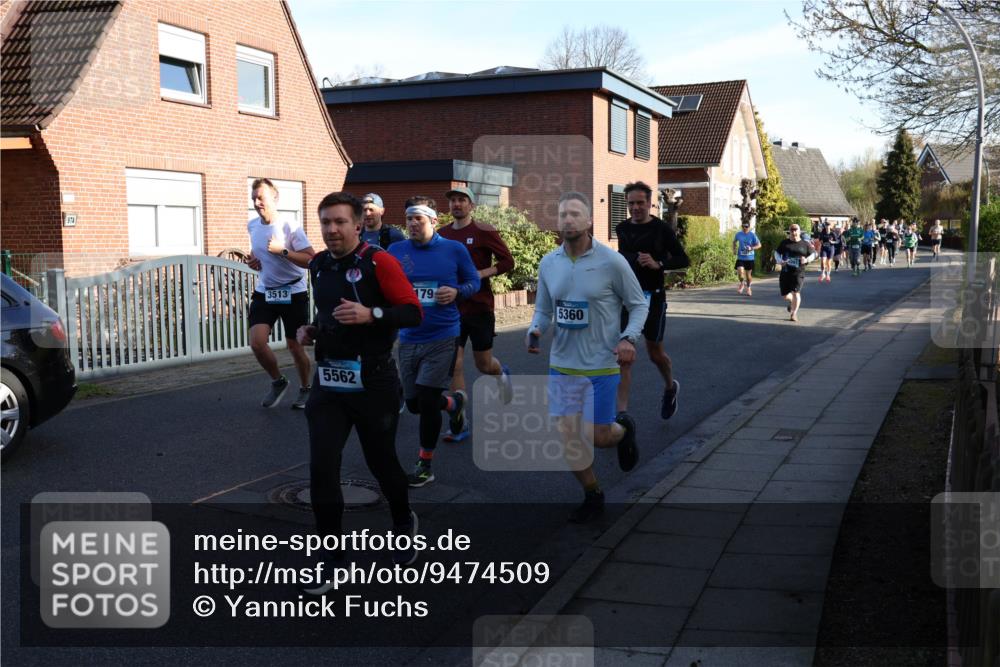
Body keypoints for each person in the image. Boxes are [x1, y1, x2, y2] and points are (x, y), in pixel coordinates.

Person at [296, 192, 423, 590]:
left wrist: (373, 314)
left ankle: (403, 522)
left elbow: (413, 311)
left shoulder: (377, 262)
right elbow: (328, 311)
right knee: (322, 466)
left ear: (357, 224)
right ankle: (333, 559)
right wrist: (314, 330)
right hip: (330, 380)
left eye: (339, 222)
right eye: (325, 223)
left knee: (381, 463)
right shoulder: (318, 264)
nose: (331, 230)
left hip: (374, 381)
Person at [527, 191, 648, 523]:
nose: (568, 219)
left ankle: (624, 429)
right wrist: (536, 329)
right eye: (563, 214)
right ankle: (593, 494)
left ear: (589, 220)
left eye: (575, 214)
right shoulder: (549, 262)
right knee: (567, 434)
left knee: (599, 436)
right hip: (562, 364)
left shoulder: (611, 261)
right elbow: (544, 308)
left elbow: (638, 304)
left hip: (602, 363)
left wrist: (628, 338)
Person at [387, 196, 480, 487]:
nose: (413, 224)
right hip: (409, 337)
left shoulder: (454, 250)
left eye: (419, 219)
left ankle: (425, 464)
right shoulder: (395, 250)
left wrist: (456, 292)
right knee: (413, 404)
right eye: (409, 219)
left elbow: (473, 281)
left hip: (443, 335)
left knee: (426, 402)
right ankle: (453, 404)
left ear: (433, 221)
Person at [437, 186, 516, 441]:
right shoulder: (442, 234)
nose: (457, 204)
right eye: (453, 201)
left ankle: (501, 373)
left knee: (484, 365)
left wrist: (481, 274)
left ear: (472, 206)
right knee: (455, 364)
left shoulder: (484, 231)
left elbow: (507, 262)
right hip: (451, 310)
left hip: (480, 307)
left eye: (462, 200)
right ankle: (460, 422)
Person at [614, 181, 689, 419]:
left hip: (653, 297)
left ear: (649, 203)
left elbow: (682, 259)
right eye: (631, 203)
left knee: (655, 353)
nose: (635, 208)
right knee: (623, 355)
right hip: (628, 298)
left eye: (640, 203)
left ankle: (670, 387)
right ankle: (622, 414)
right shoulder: (622, 228)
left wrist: (659, 264)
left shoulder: (662, 229)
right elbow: (623, 255)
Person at [245, 178, 316, 409]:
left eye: (261, 198)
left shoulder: (289, 225)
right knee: (257, 343)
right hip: (266, 290)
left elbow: (311, 259)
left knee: (295, 346)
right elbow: (261, 256)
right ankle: (278, 381)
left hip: (293, 291)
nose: (257, 202)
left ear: (275, 198)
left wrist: (283, 251)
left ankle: (306, 388)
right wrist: (255, 262)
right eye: (254, 197)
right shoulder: (252, 225)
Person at [774, 224, 818, 322]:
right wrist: (780, 260)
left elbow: (814, 254)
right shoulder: (784, 243)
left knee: (796, 292)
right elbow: (776, 253)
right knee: (785, 295)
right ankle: (791, 301)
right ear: (789, 232)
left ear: (799, 231)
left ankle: (794, 314)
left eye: (796, 230)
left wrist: (806, 260)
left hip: (798, 273)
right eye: (792, 231)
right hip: (785, 272)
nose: (794, 233)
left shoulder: (805, 244)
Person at [732, 220, 762, 296]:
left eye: (746, 226)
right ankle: (742, 283)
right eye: (743, 226)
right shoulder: (738, 234)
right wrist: (734, 249)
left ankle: (748, 287)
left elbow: (759, 245)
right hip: (741, 257)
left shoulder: (752, 235)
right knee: (740, 273)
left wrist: (751, 248)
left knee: (748, 276)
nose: (745, 228)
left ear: (749, 227)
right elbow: (734, 242)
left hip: (749, 258)